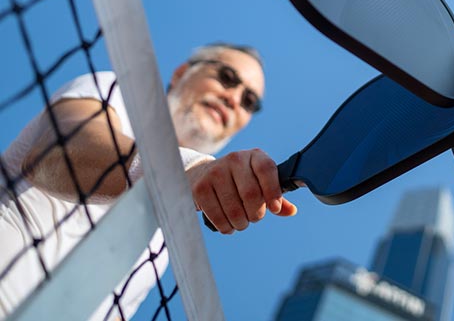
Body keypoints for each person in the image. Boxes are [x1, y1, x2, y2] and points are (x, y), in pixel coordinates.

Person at [0, 42, 296, 319]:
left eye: (249, 101)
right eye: (226, 77)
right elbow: (57, 152)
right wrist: (189, 171)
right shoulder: (115, 93)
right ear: (182, 73)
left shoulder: (164, 244)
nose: (232, 99)